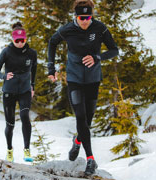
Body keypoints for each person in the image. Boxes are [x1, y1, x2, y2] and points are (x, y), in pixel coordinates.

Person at [47, 0, 118, 175]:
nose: (85, 21)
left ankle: (77, 141)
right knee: (80, 117)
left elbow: (114, 50)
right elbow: (52, 43)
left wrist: (98, 57)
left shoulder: (100, 28)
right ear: (75, 16)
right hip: (74, 78)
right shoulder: (67, 29)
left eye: (88, 17)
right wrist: (51, 68)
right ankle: (90, 159)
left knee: (87, 121)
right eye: (81, 17)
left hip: (93, 79)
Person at [0, 22, 37, 162]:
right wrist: (4, 76)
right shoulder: (6, 52)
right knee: (10, 124)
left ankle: (27, 150)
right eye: (17, 40)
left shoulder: (32, 53)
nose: (19, 43)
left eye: (22, 40)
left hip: (24, 90)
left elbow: (34, 69)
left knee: (25, 116)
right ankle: (10, 150)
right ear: (13, 39)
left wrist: (32, 86)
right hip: (9, 91)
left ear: (26, 39)